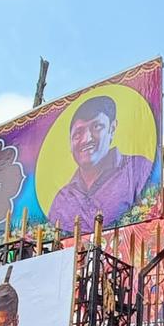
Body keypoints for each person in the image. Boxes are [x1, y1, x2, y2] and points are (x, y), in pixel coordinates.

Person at [46, 95, 154, 230]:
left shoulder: (138, 168)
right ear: (70, 143)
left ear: (112, 128)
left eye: (96, 126)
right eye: (78, 133)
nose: (86, 139)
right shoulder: (61, 199)